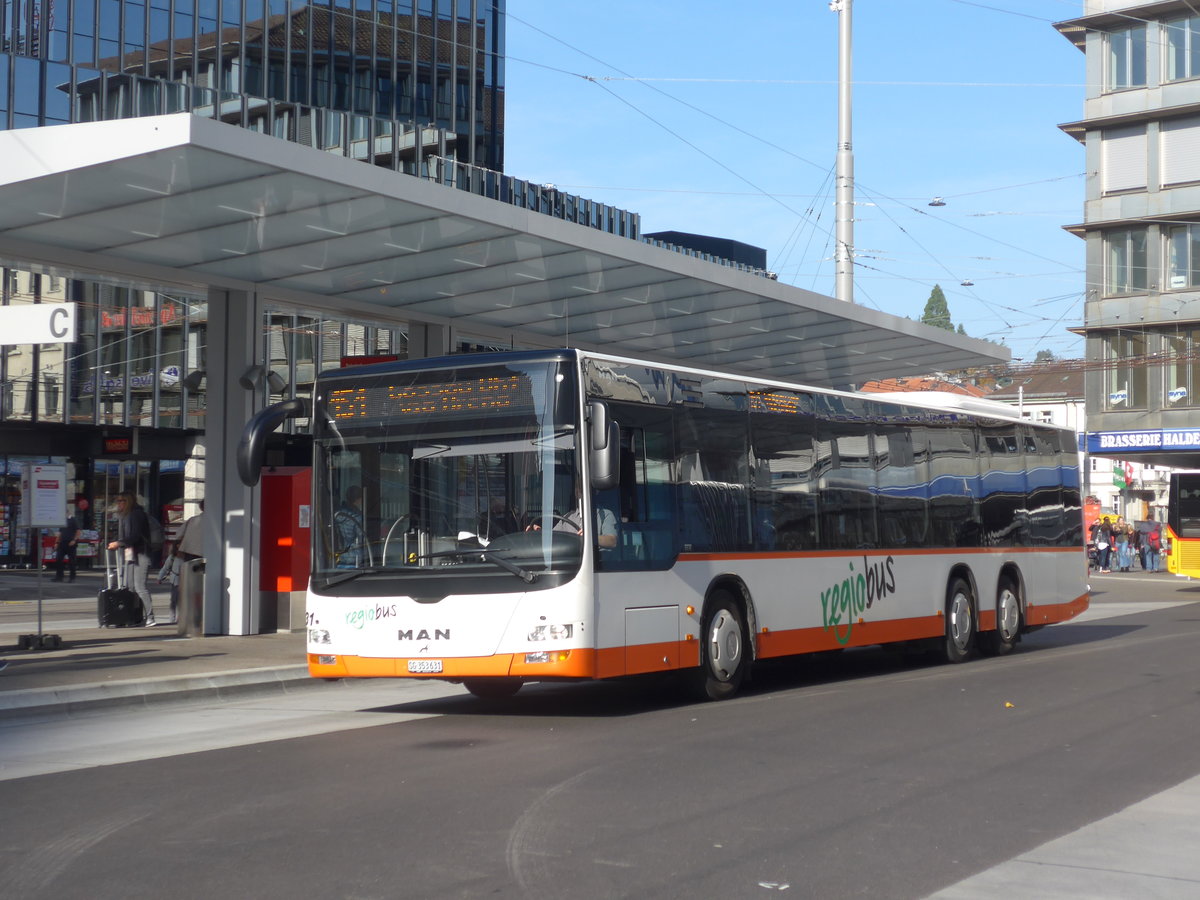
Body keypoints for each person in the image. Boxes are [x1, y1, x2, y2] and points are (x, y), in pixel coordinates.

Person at [107, 491, 156, 626]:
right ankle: (134, 617)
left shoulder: (136, 514)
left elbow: (134, 536)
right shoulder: (126, 516)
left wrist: (119, 543)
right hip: (131, 553)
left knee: (139, 586)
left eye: (121, 501)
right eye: (117, 501)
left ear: (128, 501)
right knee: (129, 587)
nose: (119, 503)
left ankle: (150, 616)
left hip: (141, 553)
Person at [334, 485, 366, 567]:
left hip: (339, 557)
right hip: (354, 558)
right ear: (359, 499)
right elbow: (362, 539)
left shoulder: (338, 513)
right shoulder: (356, 517)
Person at [52, 511, 79, 582]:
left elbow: (78, 531)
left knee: (72, 561)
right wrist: (57, 542)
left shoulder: (73, 520)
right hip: (62, 543)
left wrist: (74, 540)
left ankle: (72, 578)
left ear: (67, 513)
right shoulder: (62, 521)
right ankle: (59, 577)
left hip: (70, 543)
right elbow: (60, 533)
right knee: (58, 559)